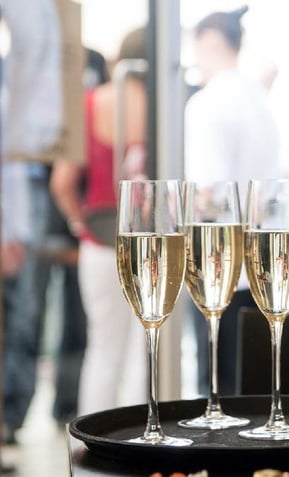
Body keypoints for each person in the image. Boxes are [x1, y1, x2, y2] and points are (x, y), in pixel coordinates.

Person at [183, 7, 281, 397]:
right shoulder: (259, 102)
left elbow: (208, 195)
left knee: (217, 386)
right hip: (259, 266)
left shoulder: (208, 104)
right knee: (252, 383)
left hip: (217, 266)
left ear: (209, 43)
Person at [50, 28, 148, 416]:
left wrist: (79, 223)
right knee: (147, 350)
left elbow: (62, 182)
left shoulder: (89, 104)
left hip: (99, 239)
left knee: (104, 348)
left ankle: (92, 443)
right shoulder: (165, 108)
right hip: (152, 244)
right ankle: (143, 445)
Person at [1, 0, 61, 445]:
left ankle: (11, 416)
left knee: (24, 315)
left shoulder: (19, 84)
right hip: (15, 211)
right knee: (19, 315)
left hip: (22, 203)